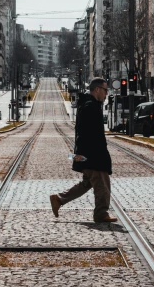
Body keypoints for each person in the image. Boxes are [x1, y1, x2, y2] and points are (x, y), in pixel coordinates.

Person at [50, 77, 117, 223]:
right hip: (93, 155)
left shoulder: (91, 105)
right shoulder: (90, 107)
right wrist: (86, 155)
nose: (106, 94)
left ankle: (59, 199)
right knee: (102, 185)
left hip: (89, 154)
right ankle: (101, 213)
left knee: (87, 183)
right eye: (105, 90)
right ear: (97, 89)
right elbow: (86, 133)